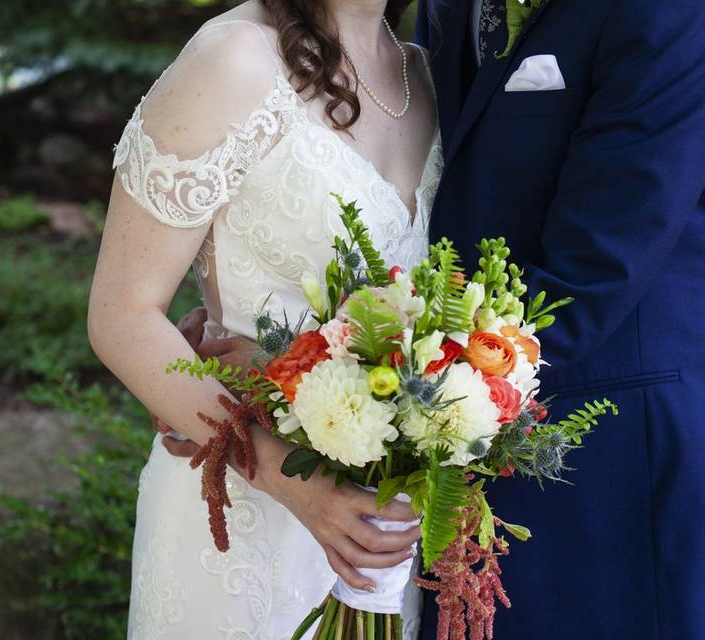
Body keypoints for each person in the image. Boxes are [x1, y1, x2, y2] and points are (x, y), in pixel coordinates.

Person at [414, 0, 705, 638]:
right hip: (459, 471)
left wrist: (405, 406)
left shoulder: (680, 11)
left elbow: (596, 269)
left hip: (622, 481)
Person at [86, 1, 440, 637]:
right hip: (241, 509)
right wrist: (297, 486)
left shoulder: (426, 73)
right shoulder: (235, 57)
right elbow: (122, 315)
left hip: (383, 536)